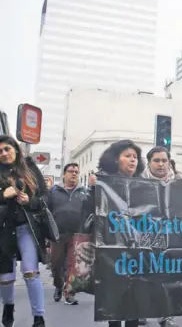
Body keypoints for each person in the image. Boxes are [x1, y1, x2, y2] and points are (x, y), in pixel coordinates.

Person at [85, 140, 146, 327]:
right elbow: (88, 214)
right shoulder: (101, 183)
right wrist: (95, 189)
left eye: (135, 157)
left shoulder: (144, 185)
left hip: (137, 248)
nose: (133, 160)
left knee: (135, 294)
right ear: (115, 160)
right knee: (114, 293)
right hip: (111, 247)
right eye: (127, 156)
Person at [0, 135, 48, 327]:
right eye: (0, 151)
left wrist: (31, 201)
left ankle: (39, 318)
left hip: (27, 227)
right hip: (3, 230)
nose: (3, 154)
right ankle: (8, 306)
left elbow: (45, 196)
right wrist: (3, 195)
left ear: (16, 149)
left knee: (30, 272)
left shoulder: (28, 167)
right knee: (5, 278)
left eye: (6, 149)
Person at [141, 146, 180, 327]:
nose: (161, 164)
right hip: (143, 238)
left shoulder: (179, 183)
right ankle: (141, 310)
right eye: (156, 160)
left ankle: (165, 316)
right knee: (145, 277)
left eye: (164, 160)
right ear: (149, 163)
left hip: (170, 239)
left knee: (166, 278)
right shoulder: (135, 183)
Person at [48, 162, 88, 306]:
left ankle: (69, 293)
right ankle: (58, 285)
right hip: (57, 234)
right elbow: (46, 212)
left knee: (72, 265)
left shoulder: (84, 193)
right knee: (55, 264)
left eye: (76, 172)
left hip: (76, 235)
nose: (74, 174)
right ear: (64, 174)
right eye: (71, 171)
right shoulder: (53, 191)